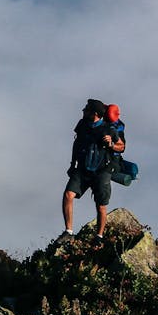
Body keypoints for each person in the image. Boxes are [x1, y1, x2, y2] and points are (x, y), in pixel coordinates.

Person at [58, 99, 125, 246]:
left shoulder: (109, 129)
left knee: (101, 205)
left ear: (94, 113)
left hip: (102, 171)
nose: (83, 110)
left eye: (86, 109)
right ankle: (68, 232)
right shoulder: (82, 125)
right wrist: (72, 163)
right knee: (68, 194)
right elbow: (77, 144)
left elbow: (121, 146)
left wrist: (111, 144)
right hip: (82, 168)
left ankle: (99, 237)